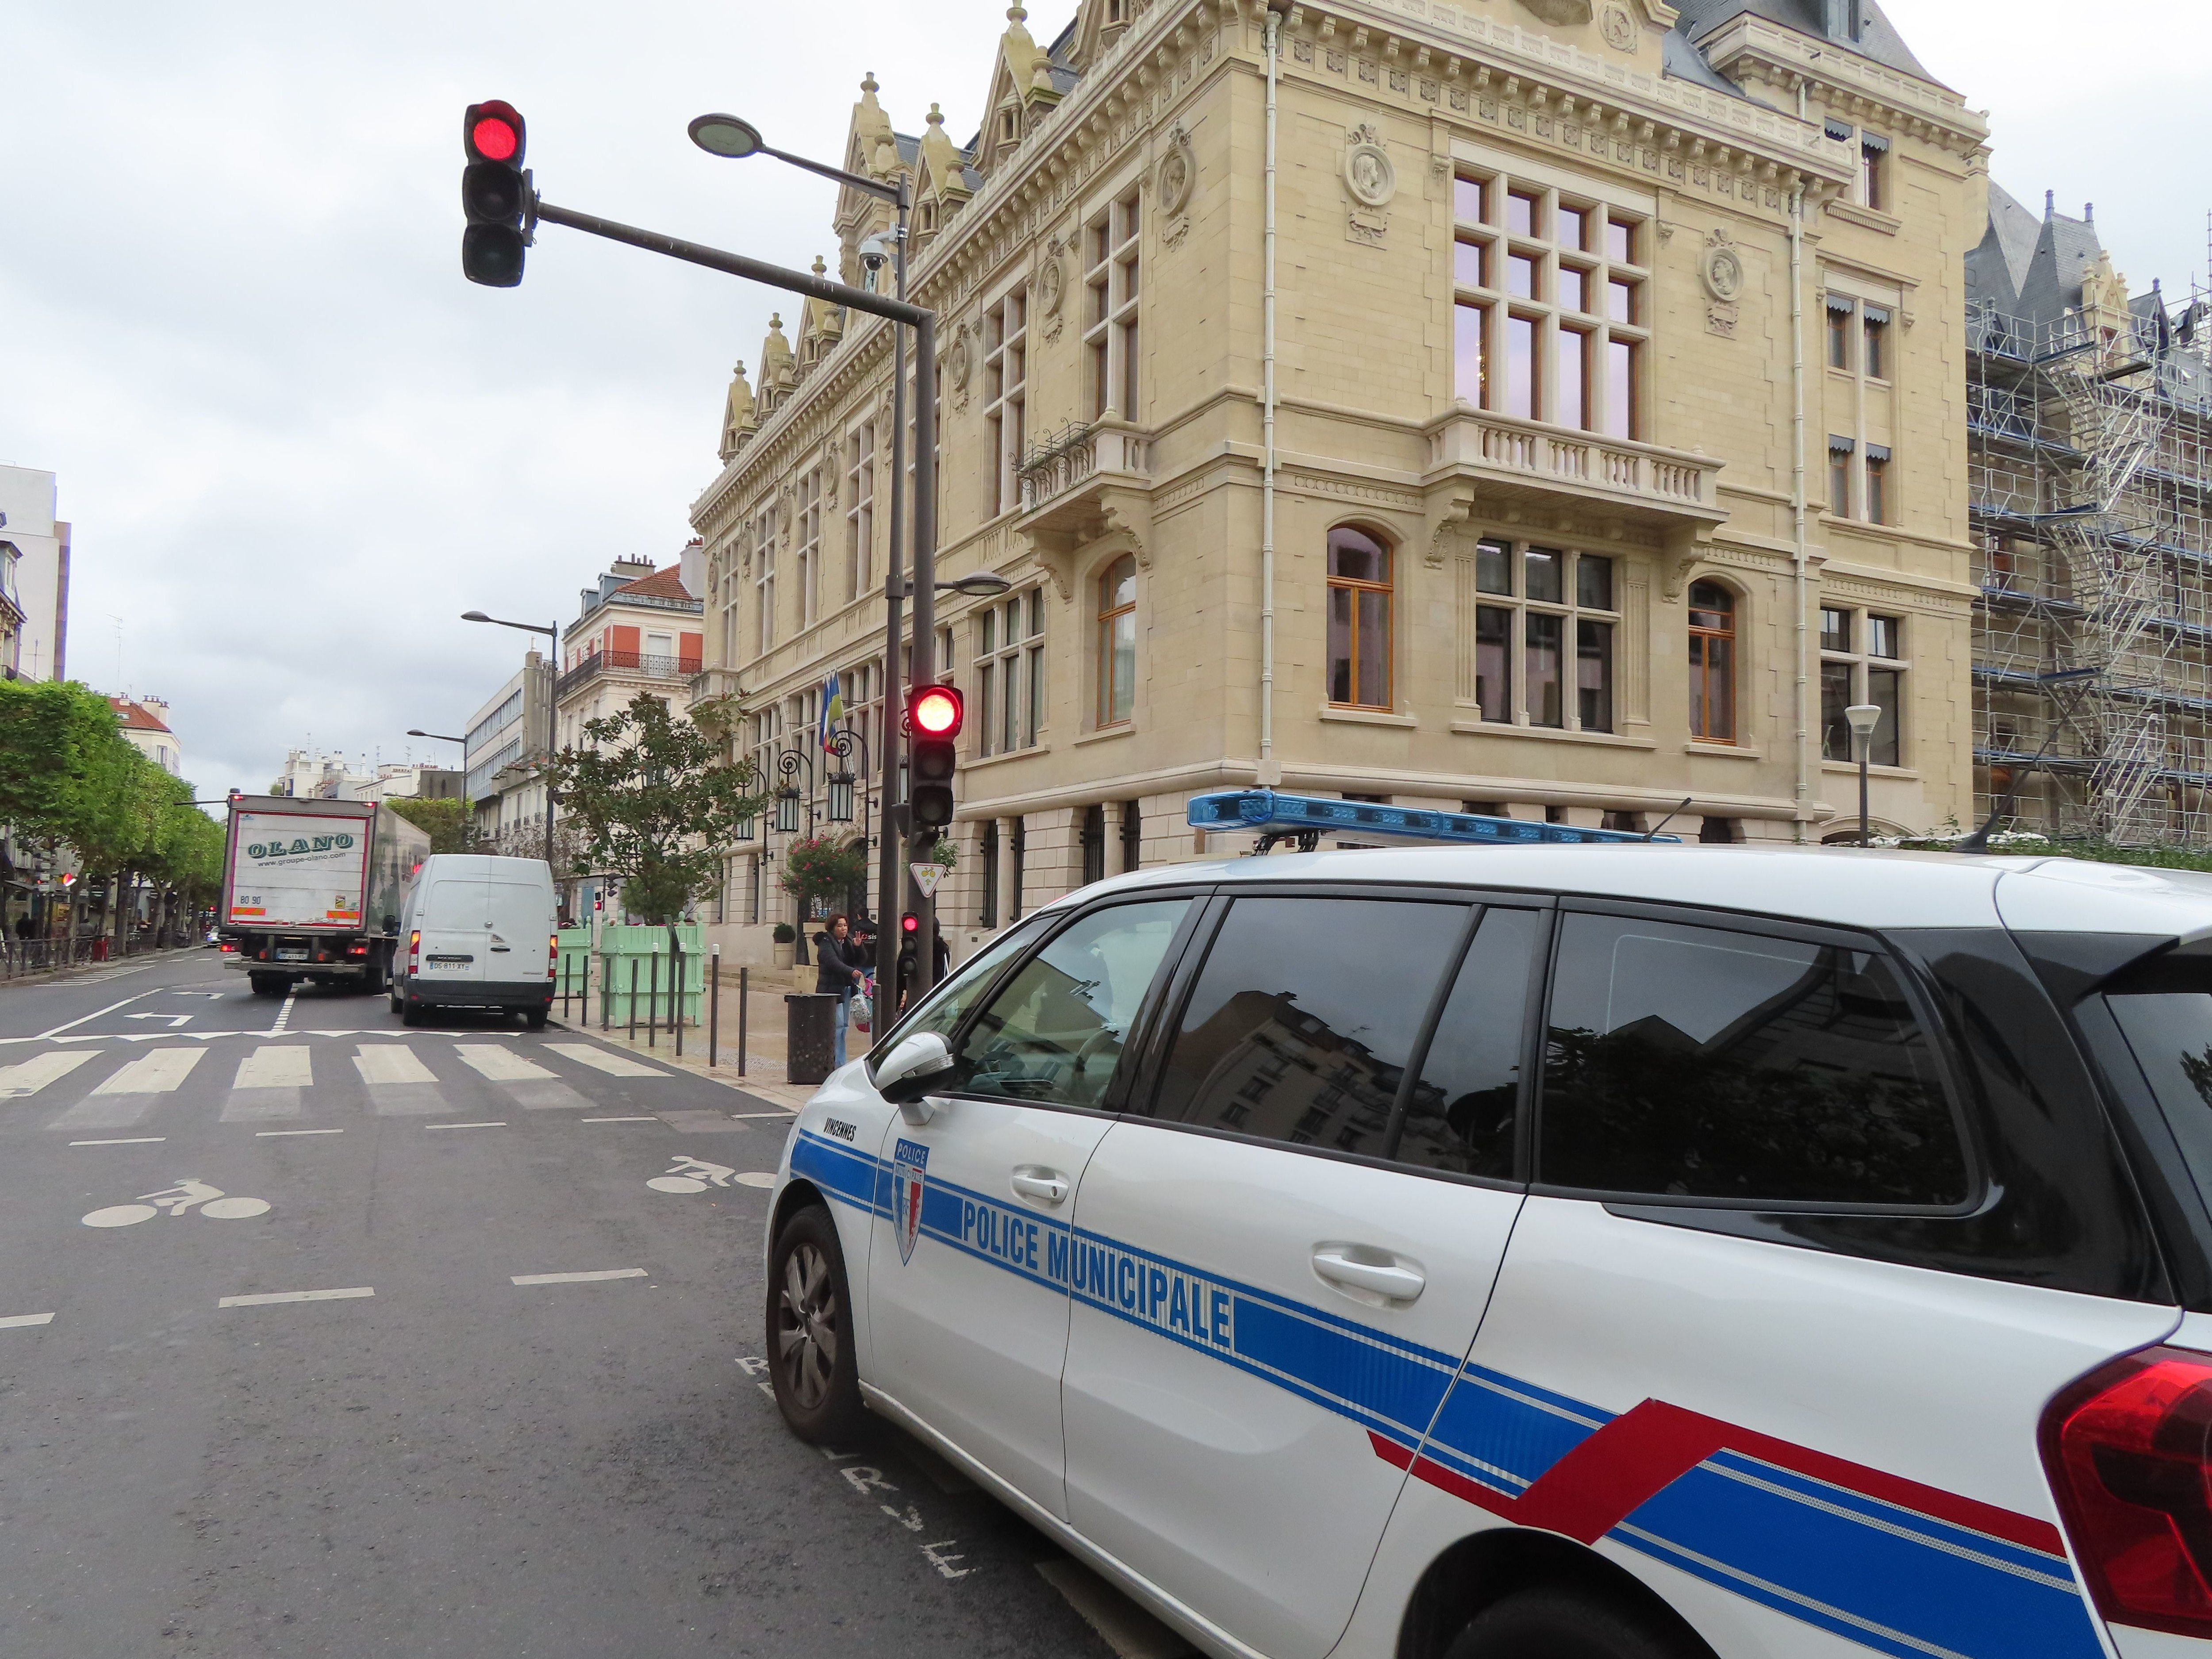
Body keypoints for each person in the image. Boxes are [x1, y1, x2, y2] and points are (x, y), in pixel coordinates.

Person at [814, 913, 866, 1067]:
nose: (843, 929)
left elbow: (860, 960)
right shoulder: (825, 942)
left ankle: (841, 1061)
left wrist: (858, 947)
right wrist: (850, 972)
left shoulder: (848, 941)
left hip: (846, 989)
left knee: (844, 1027)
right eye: (840, 926)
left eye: (845, 925)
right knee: (836, 1026)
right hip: (831, 990)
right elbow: (832, 962)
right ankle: (833, 1061)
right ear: (832, 927)